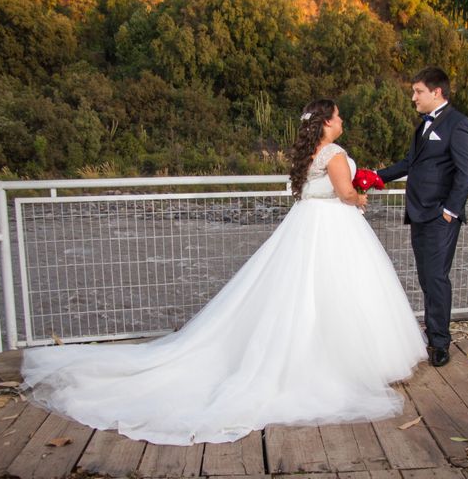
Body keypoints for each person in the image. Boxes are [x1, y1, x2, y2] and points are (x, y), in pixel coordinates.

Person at [22, 99, 428, 445]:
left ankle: (320, 352)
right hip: (332, 228)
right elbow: (343, 193)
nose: (342, 122)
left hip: (305, 225)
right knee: (338, 292)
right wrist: (363, 193)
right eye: (338, 117)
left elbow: (307, 191)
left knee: (298, 295)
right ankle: (339, 362)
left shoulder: (307, 155)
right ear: (325, 123)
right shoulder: (335, 153)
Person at [377, 67, 468, 368]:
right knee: (426, 277)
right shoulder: (422, 126)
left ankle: (439, 343)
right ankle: (432, 331)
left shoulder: (459, 125)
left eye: (418, 91)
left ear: (437, 92)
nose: (413, 97)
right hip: (419, 213)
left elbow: (467, 171)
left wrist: (450, 211)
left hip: (438, 216)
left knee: (435, 278)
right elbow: (410, 163)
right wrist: (374, 177)